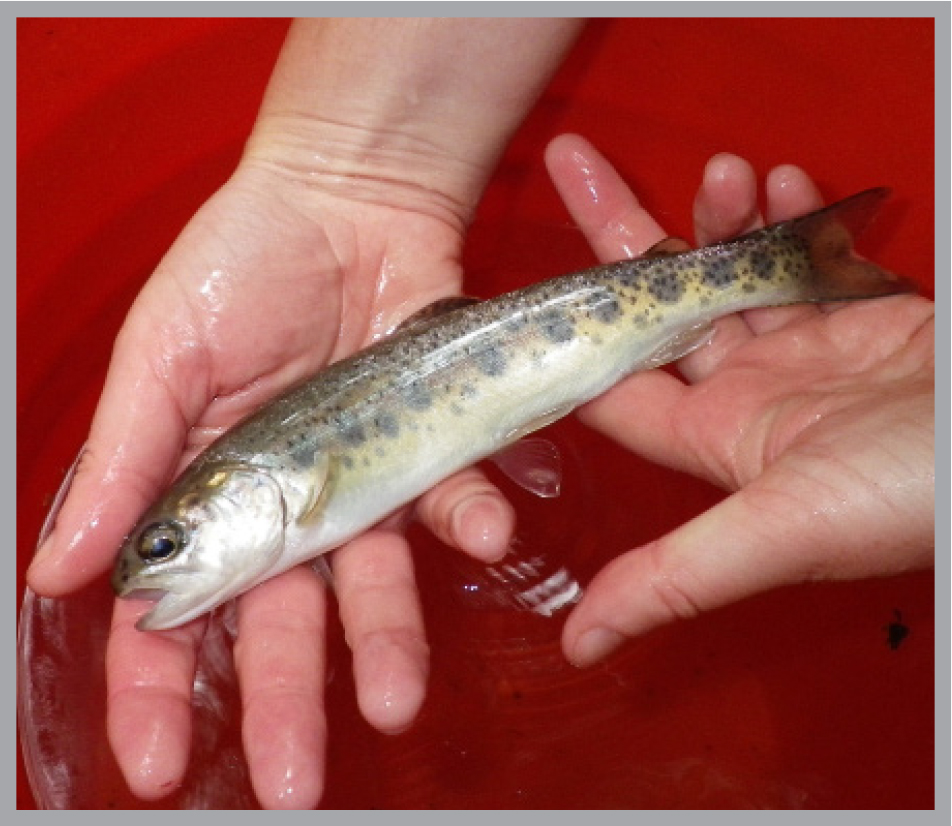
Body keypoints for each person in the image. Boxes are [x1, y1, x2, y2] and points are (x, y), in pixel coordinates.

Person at [25, 19, 934, 810]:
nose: (153, 574)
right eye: (161, 551)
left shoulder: (280, 481)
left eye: (166, 547)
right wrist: (350, 163)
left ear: (237, 491)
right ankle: (777, 263)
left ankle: (777, 263)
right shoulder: (265, 486)